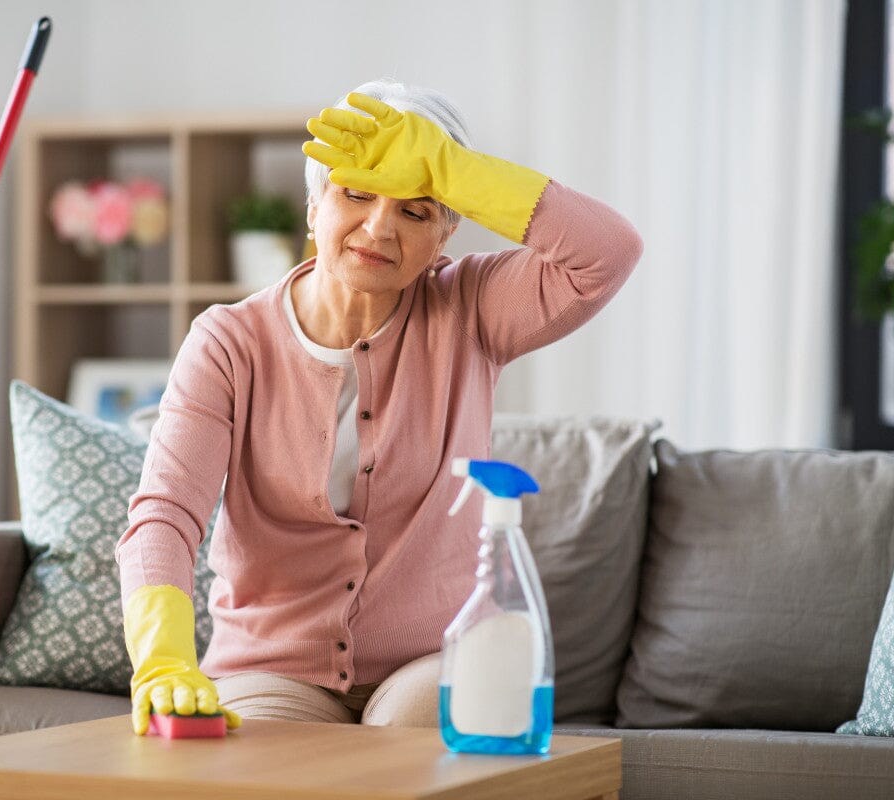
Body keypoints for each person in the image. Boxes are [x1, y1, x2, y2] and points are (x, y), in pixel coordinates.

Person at [115, 79, 642, 735]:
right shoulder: (229, 343)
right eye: (355, 194)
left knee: (408, 762)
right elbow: (165, 515)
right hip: (270, 667)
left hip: (430, 660)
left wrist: (455, 170)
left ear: (446, 232)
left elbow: (608, 252)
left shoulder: (471, 308)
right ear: (314, 208)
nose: (378, 226)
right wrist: (162, 660)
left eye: (416, 211)